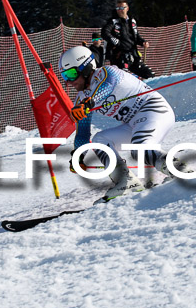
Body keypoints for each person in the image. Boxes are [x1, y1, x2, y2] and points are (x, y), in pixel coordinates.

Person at [59, 46, 187, 201]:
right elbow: (83, 133)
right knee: (100, 140)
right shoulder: (81, 99)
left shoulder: (108, 72)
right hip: (134, 123)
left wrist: (89, 103)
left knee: (139, 148)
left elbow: (108, 86)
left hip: (154, 110)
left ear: (85, 67)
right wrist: (78, 155)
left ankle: (180, 170)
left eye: (71, 74)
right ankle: (125, 181)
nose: (68, 81)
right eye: (65, 76)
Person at [101, 0, 155, 79]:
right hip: (119, 57)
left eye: (122, 8)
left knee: (150, 75)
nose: (120, 10)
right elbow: (104, 33)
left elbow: (136, 37)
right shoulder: (113, 21)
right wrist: (116, 42)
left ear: (127, 8)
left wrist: (143, 42)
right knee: (122, 79)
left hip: (133, 55)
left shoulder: (132, 21)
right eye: (118, 8)